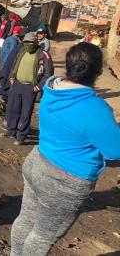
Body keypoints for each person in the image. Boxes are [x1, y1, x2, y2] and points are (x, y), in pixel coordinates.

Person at [10, 42, 120, 256]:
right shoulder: (95, 110)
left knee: (25, 219)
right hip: (64, 183)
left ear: (68, 66)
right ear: (99, 71)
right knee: (42, 235)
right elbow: (114, 151)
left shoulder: (52, 88)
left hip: (37, 163)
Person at [1, 33, 54, 145]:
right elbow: (14, 65)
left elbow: (48, 74)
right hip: (17, 84)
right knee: (12, 109)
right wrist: (12, 77)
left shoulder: (43, 55)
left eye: (30, 42)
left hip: (31, 87)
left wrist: (38, 86)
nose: (28, 44)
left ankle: (21, 136)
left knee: (26, 112)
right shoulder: (22, 52)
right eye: (26, 42)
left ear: (36, 43)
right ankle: (11, 131)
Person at [0, 26, 24, 98]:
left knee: (1, 77)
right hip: (7, 63)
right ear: (18, 33)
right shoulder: (13, 41)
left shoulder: (8, 38)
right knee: (4, 78)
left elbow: (1, 50)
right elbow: (12, 54)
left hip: (2, 61)